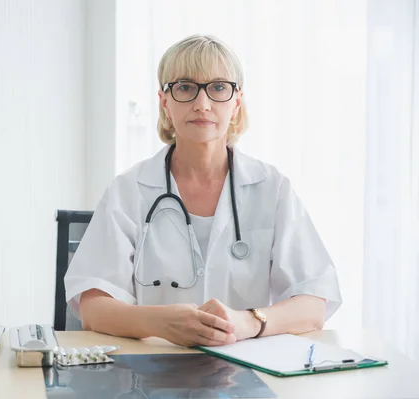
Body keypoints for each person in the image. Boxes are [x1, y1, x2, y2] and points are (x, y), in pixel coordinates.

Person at [64, 34, 342, 347]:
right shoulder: (129, 190)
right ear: (164, 102)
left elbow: (314, 303)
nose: (202, 104)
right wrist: (161, 322)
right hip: (153, 371)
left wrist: (247, 321)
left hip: (246, 375)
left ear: (237, 103)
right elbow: (93, 307)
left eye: (218, 87)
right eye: (185, 87)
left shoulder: (272, 188)